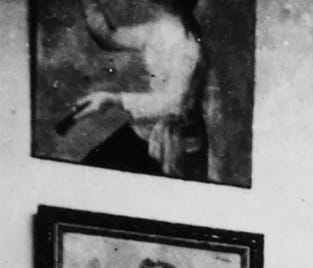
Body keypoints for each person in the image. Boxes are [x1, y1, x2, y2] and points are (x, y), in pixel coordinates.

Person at [67, 0, 209, 181]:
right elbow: (109, 37)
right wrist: (90, 5)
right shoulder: (161, 28)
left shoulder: (187, 45)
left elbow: (173, 103)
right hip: (146, 132)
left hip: (171, 147)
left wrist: (114, 99)